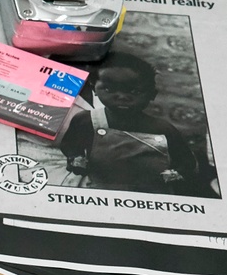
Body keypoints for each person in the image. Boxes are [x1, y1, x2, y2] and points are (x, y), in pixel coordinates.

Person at [58, 51, 216, 197]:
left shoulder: (162, 129)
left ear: (152, 95)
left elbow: (186, 162)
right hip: (98, 188)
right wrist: (76, 158)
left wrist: (176, 174)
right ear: (94, 89)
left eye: (134, 92)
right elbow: (70, 144)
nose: (122, 97)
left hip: (149, 192)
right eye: (109, 89)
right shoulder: (86, 120)